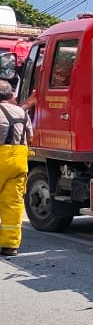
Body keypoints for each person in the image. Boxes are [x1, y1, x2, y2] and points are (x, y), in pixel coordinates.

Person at [0, 81, 31, 257]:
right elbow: (30, 137)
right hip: (18, 160)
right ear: (11, 95)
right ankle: (10, 245)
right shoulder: (21, 112)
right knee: (13, 203)